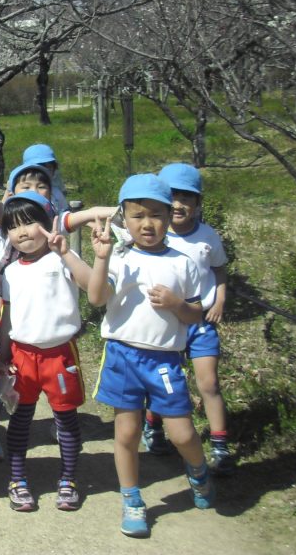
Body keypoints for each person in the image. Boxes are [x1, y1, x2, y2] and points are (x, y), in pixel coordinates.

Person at [87, 174, 214, 538]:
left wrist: (178, 305)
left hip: (164, 361)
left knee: (182, 433)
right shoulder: (118, 257)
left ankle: (198, 470)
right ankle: (132, 499)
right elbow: (96, 298)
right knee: (126, 433)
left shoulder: (183, 262)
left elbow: (195, 314)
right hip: (122, 355)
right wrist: (101, 258)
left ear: (169, 216)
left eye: (157, 215)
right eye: (138, 215)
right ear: (123, 218)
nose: (148, 223)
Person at [0, 192, 90, 513]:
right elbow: (7, 317)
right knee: (20, 420)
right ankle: (17, 479)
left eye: (29, 223)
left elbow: (91, 286)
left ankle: (69, 479)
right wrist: (2, 355)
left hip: (60, 355)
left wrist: (67, 255)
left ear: (49, 223)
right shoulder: (9, 272)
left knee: (65, 420)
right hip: (22, 357)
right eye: (13, 226)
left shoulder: (61, 259)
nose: (22, 232)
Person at [141, 163, 232, 473]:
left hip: (200, 320)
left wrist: (219, 299)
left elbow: (219, 269)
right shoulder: (154, 233)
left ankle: (220, 445)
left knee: (209, 383)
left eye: (187, 198)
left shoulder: (207, 236)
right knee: (162, 380)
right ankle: (153, 427)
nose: (179, 205)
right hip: (166, 323)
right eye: (172, 197)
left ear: (197, 203)